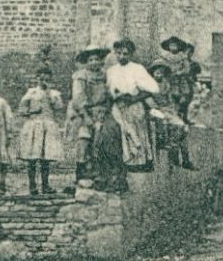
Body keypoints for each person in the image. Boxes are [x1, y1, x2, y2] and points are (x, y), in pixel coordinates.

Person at [99, 38, 159, 181]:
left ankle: (138, 167)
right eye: (118, 53)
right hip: (117, 107)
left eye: (125, 53)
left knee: (136, 133)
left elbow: (153, 89)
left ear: (131, 54)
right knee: (120, 134)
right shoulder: (111, 71)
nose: (121, 56)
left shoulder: (137, 69)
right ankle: (121, 166)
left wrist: (133, 98)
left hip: (133, 105)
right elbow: (107, 90)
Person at [18, 66, 65, 195]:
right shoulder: (31, 92)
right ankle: (32, 186)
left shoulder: (54, 93)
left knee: (45, 158)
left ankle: (45, 185)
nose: (43, 79)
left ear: (50, 78)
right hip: (34, 125)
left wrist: (49, 94)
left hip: (48, 126)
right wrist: (32, 111)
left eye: (46, 77)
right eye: (41, 77)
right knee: (32, 157)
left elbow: (59, 107)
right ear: (37, 78)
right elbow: (21, 111)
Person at [67, 47, 108, 184]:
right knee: (84, 140)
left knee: (100, 141)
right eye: (91, 60)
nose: (94, 62)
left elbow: (108, 94)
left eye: (97, 59)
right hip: (84, 113)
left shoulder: (104, 75)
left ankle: (97, 173)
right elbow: (78, 98)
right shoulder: (81, 76)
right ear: (86, 62)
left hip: (101, 112)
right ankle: (81, 173)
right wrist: (85, 116)